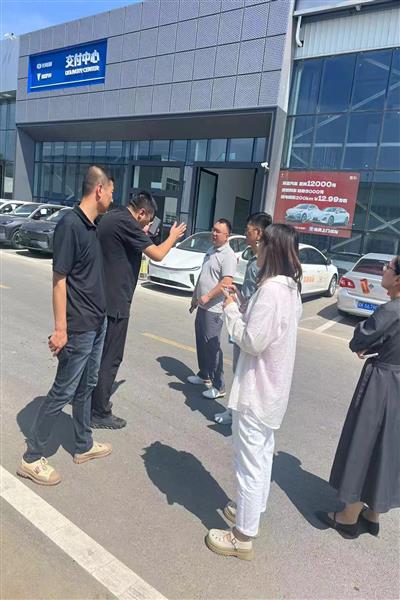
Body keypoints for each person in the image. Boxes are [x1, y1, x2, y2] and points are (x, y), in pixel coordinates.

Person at [205, 224, 302, 560]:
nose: (256, 248)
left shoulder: (272, 290)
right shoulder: (289, 288)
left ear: (272, 249)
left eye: (261, 244)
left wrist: (231, 308)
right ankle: (252, 511)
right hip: (273, 391)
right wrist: (245, 306)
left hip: (257, 392)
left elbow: (251, 341)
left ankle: (242, 536)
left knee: (248, 463)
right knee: (261, 456)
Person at [17, 166, 114, 485]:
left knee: (86, 386)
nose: (112, 198)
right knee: (64, 391)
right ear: (99, 190)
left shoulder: (92, 225)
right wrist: (61, 329)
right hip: (78, 327)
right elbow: (59, 280)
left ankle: (83, 444)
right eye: (111, 191)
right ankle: (32, 457)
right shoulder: (70, 225)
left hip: (96, 323)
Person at [318, 255, 400, 538]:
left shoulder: (391, 310)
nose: (384, 270)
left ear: (398, 279)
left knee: (366, 442)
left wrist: (369, 346)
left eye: (389, 267)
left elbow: (359, 339)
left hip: (382, 382)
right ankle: (373, 513)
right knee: (387, 446)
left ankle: (348, 516)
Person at [90, 191, 186, 429]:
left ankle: (86, 400)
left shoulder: (112, 217)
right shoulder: (127, 223)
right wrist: (173, 236)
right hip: (116, 302)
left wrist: (140, 234)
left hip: (100, 295)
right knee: (111, 358)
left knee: (97, 355)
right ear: (142, 212)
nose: (146, 225)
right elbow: (158, 255)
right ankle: (99, 412)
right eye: (147, 220)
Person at [214, 212, 272, 426]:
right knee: (239, 370)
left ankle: (236, 414)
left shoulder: (263, 264)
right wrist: (237, 294)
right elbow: (250, 296)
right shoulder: (253, 260)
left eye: (248, 231)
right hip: (242, 316)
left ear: (259, 233)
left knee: (243, 372)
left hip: (250, 325)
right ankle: (236, 412)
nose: (245, 235)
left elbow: (260, 300)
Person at [187, 219, 238, 400]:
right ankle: (204, 375)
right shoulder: (211, 251)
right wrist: (195, 298)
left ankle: (219, 385)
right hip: (202, 305)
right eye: (213, 230)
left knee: (212, 346)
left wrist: (208, 296)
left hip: (214, 309)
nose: (214, 234)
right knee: (201, 342)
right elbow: (203, 276)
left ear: (227, 236)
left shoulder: (228, 255)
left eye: (218, 231)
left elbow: (227, 282)